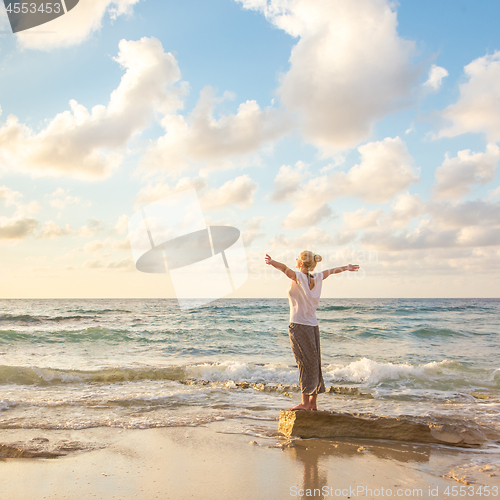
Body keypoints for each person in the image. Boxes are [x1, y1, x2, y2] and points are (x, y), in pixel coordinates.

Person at [265, 251, 360, 411]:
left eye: (297, 258)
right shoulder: (318, 277)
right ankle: (313, 403)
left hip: (298, 325)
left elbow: (284, 269)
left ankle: (304, 403)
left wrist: (272, 262)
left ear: (301, 263)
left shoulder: (299, 277)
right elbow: (332, 270)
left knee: (304, 363)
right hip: (313, 326)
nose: (295, 260)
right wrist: (347, 267)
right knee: (314, 363)